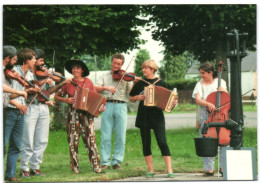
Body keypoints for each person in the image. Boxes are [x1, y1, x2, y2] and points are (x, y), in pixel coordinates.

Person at [20, 48, 71, 177]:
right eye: (40, 60)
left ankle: (35, 167)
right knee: (28, 138)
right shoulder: (27, 73)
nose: (43, 64)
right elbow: (28, 88)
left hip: (43, 107)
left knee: (42, 139)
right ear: (33, 60)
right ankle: (24, 168)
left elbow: (48, 92)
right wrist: (43, 81)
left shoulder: (44, 73)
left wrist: (61, 84)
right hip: (31, 107)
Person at [54, 59, 104, 174]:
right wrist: (66, 100)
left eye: (77, 68)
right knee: (72, 140)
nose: (75, 70)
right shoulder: (68, 83)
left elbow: (94, 98)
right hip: (72, 114)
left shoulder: (88, 82)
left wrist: (100, 107)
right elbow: (56, 97)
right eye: (73, 68)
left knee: (91, 139)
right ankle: (75, 167)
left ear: (82, 70)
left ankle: (96, 166)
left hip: (87, 114)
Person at [129, 59, 176, 178]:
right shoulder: (140, 83)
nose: (143, 70)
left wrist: (173, 104)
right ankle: (151, 170)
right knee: (146, 142)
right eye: (143, 68)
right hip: (143, 115)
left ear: (153, 69)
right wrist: (137, 97)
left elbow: (169, 101)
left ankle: (170, 170)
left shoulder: (161, 83)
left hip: (157, 116)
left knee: (162, 141)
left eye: (146, 68)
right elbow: (130, 98)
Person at [4, 48, 39, 182]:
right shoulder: (12, 72)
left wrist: (29, 90)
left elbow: (21, 92)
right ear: (27, 60)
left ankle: (11, 174)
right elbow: (5, 93)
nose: (35, 61)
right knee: (3, 144)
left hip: (20, 112)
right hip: (9, 110)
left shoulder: (29, 75)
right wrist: (17, 103)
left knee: (16, 145)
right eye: (34, 58)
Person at [94, 53, 133, 170]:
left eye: (119, 64)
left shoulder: (126, 77)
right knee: (106, 135)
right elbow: (95, 88)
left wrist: (134, 82)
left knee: (121, 136)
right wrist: (106, 87)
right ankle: (105, 162)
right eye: (114, 63)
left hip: (121, 106)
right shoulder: (104, 76)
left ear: (122, 65)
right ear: (111, 62)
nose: (116, 65)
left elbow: (131, 95)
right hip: (107, 105)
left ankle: (116, 162)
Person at [192, 61, 228, 176]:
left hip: (220, 113)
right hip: (206, 113)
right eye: (200, 73)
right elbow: (198, 100)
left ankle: (223, 167)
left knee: (224, 141)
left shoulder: (221, 81)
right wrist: (207, 104)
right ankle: (209, 169)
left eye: (203, 73)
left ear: (210, 72)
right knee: (206, 140)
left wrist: (224, 91)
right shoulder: (200, 84)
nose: (201, 75)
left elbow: (227, 97)